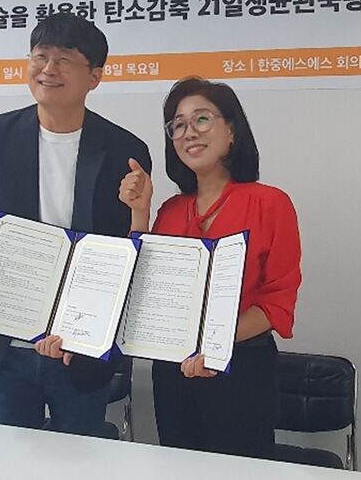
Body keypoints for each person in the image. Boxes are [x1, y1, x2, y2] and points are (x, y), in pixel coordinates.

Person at [0, 12, 151, 435]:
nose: (48, 69)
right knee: (5, 462)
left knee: (79, 460)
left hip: (79, 350)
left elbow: (124, 252)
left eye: (64, 59)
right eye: (40, 56)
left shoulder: (124, 150)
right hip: (6, 349)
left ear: (94, 77)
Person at [120, 76, 302, 459]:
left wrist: (212, 346)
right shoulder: (171, 210)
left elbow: (277, 302)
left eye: (202, 119)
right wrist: (140, 213)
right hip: (174, 370)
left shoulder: (270, 203)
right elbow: (145, 291)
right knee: (179, 467)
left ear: (231, 131)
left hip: (241, 367)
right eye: (178, 125)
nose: (189, 132)